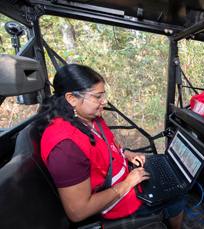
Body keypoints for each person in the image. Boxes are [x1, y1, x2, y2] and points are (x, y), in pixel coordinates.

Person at [35, 64, 187, 229]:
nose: (104, 101)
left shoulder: (90, 118)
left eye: (103, 95)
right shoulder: (66, 146)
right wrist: (128, 183)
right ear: (71, 98)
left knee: (167, 179)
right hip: (110, 203)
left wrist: (126, 153)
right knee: (178, 193)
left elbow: (105, 148)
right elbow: (78, 212)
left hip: (124, 179)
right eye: (97, 96)